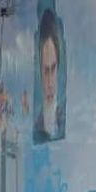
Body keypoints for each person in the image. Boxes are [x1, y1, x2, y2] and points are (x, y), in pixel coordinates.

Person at [33, 8, 65, 143]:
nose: (50, 83)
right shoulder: (37, 125)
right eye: (46, 71)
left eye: (53, 69)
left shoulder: (63, 117)